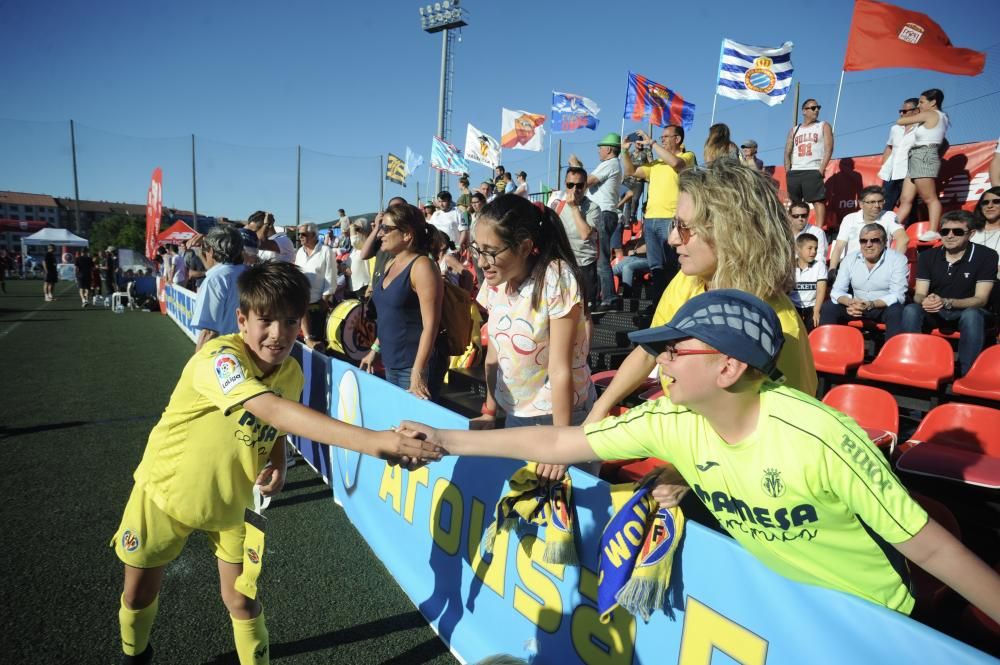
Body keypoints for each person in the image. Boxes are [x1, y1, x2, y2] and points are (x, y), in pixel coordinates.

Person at [400, 289, 1000, 627]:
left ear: (729, 366)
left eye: (673, 352)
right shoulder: (673, 420)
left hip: (878, 624)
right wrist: (446, 438)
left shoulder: (819, 438)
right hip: (792, 615)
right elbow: (558, 442)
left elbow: (934, 549)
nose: (658, 365)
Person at [111, 260, 439, 665]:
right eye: (265, 320)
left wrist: (279, 464)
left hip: (234, 504)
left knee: (242, 600)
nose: (278, 334)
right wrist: (374, 441)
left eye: (289, 321)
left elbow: (277, 427)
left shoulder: (291, 373)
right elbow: (267, 409)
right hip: (165, 491)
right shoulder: (218, 358)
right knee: (138, 593)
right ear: (241, 319)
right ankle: (135, 654)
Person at [589, 159, 817, 429]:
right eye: (675, 224)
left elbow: (776, 438)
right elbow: (647, 352)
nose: (672, 238)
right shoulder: (688, 280)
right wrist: (597, 413)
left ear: (731, 233)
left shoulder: (777, 330)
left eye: (684, 227)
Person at [468, 194, 594, 481]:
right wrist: (490, 410)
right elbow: (494, 354)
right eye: (478, 249)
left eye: (490, 251)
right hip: (517, 416)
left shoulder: (556, 278)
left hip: (562, 418)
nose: (481, 261)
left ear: (524, 247)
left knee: (563, 508)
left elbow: (560, 368)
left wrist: (562, 446)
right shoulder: (495, 283)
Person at [360, 203, 447, 400]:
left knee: (417, 427)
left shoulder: (422, 266)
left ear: (407, 234)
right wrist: (375, 350)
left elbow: (431, 325)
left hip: (414, 366)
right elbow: (390, 317)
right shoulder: (391, 262)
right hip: (392, 362)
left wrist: (418, 372)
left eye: (386, 228)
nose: (380, 234)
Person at [901, 210, 997, 376]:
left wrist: (947, 302)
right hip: (937, 310)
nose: (950, 236)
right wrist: (925, 300)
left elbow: (981, 299)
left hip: (969, 311)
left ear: (971, 234)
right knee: (911, 309)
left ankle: (969, 374)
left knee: (972, 315)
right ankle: (911, 365)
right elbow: (919, 293)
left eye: (957, 232)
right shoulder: (927, 256)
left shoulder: (986, 256)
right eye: (945, 231)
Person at [622, 126, 697, 313]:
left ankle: (677, 307)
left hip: (671, 219)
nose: (662, 139)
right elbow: (631, 171)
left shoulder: (688, 157)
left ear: (678, 139)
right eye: (661, 137)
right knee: (656, 267)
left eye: (665, 137)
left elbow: (676, 164)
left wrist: (652, 143)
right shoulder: (656, 164)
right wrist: (624, 150)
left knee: (674, 265)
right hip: (652, 220)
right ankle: (658, 307)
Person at [820, 223, 907, 337]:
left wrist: (872, 304)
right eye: (863, 241)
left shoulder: (897, 259)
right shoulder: (850, 259)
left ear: (885, 241)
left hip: (882, 307)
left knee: (896, 310)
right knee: (829, 307)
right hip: (856, 306)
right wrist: (850, 302)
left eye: (874, 240)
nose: (868, 245)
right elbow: (837, 291)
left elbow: (898, 295)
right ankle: (828, 348)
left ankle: (893, 352)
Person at [571, 133, 624, 309]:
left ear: (609, 149)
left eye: (601, 148)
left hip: (604, 213)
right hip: (606, 213)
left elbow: (588, 182)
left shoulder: (609, 164)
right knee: (598, 257)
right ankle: (603, 296)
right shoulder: (612, 164)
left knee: (601, 259)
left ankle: (609, 298)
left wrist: (576, 168)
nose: (599, 151)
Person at [895, 89, 950, 242]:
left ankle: (933, 230)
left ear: (933, 103)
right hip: (918, 155)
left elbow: (900, 121)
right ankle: (891, 228)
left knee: (930, 198)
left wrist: (912, 114)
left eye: (922, 102)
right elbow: (945, 143)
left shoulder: (931, 114)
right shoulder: (942, 117)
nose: (919, 105)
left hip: (924, 154)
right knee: (905, 198)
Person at [550, 166, 599, 312]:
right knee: (562, 310)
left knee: (585, 314)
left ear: (585, 186)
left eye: (579, 185)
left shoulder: (593, 208)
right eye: (570, 185)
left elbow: (585, 234)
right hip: (564, 265)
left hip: (584, 264)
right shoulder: (557, 206)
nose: (575, 189)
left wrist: (574, 208)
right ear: (565, 185)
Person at [191, 226, 247, 351]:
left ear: (211, 251)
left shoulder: (216, 279)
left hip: (222, 357)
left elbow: (209, 332)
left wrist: (196, 367)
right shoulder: (249, 272)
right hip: (248, 354)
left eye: (205, 250)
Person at [829, 186, 908, 272]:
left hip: (880, 268)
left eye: (880, 201)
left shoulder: (889, 216)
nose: (877, 205)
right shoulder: (849, 219)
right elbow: (839, 247)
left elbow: (903, 239)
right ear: (861, 204)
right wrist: (832, 269)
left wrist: (893, 265)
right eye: (872, 202)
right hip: (852, 268)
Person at [784, 99, 833, 230]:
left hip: (813, 168)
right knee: (795, 203)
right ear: (804, 111)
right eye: (813, 108)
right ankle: (794, 228)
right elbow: (787, 150)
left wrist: (821, 168)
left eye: (818, 107)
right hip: (795, 170)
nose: (816, 110)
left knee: (817, 200)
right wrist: (788, 170)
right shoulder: (795, 129)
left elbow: (829, 148)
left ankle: (818, 229)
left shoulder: (823, 125)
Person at [294, 222, 337, 353]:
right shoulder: (300, 252)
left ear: (313, 235)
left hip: (317, 306)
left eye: (303, 234)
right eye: (299, 234)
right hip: (301, 306)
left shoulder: (326, 251)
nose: (300, 237)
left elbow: (331, 277)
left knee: (317, 345)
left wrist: (325, 299)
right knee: (303, 344)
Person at [878, 98, 919, 211]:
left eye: (905, 111)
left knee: (910, 205)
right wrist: (885, 165)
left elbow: (943, 144)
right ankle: (883, 228)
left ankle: (910, 228)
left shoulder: (922, 128)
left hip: (909, 174)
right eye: (900, 111)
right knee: (884, 206)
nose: (901, 113)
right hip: (891, 174)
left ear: (916, 111)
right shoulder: (895, 128)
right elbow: (889, 147)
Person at [790, 233, 828, 331]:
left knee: (814, 326)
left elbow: (821, 290)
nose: (813, 252)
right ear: (798, 249)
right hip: (793, 305)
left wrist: (816, 310)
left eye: (815, 248)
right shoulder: (789, 266)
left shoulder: (819, 266)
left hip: (812, 306)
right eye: (810, 248)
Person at [788, 201, 828, 265]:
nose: (800, 218)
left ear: (808, 216)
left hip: (811, 270)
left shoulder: (817, 232)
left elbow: (820, 258)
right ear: (789, 216)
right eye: (796, 216)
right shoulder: (783, 232)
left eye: (804, 215)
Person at [346, 221, 372, 300]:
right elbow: (347, 262)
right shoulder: (354, 249)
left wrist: (351, 228)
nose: (354, 233)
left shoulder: (366, 246)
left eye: (357, 230)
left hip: (364, 287)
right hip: (353, 287)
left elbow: (354, 241)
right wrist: (344, 266)